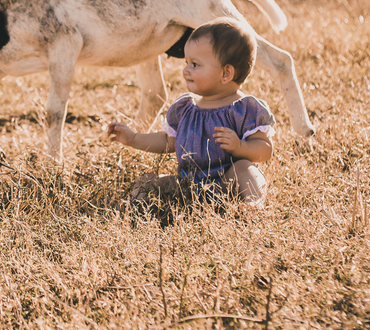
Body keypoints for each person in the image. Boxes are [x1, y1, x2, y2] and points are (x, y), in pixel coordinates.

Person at [106, 17, 275, 212]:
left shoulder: (243, 109)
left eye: (195, 64)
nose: (186, 70)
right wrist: (133, 138)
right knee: (148, 181)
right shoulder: (185, 108)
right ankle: (132, 207)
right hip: (187, 186)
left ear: (225, 74)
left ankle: (253, 203)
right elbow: (168, 142)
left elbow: (265, 150)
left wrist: (240, 147)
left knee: (247, 170)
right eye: (186, 62)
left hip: (227, 183)